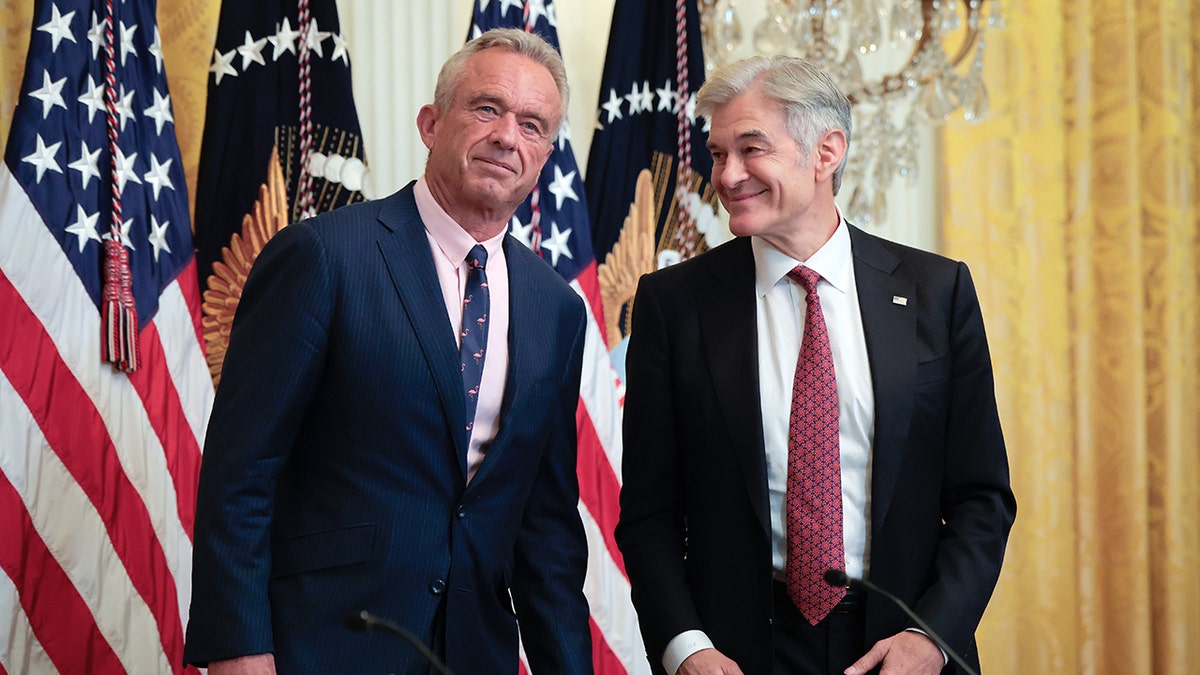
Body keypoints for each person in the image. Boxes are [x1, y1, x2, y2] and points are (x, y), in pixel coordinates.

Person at [183, 28, 592, 675]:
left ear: (544, 154)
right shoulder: (322, 257)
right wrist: (237, 649)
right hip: (322, 644)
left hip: (472, 653)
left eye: (533, 125)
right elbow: (242, 474)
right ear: (431, 123)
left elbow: (545, 528)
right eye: (486, 108)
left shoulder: (557, 309)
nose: (508, 137)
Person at [616, 55, 1016, 675]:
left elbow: (981, 499)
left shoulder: (938, 293)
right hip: (737, 653)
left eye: (751, 149)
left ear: (826, 152)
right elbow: (648, 513)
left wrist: (930, 638)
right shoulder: (674, 305)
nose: (726, 175)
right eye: (718, 154)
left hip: (900, 649)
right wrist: (685, 648)